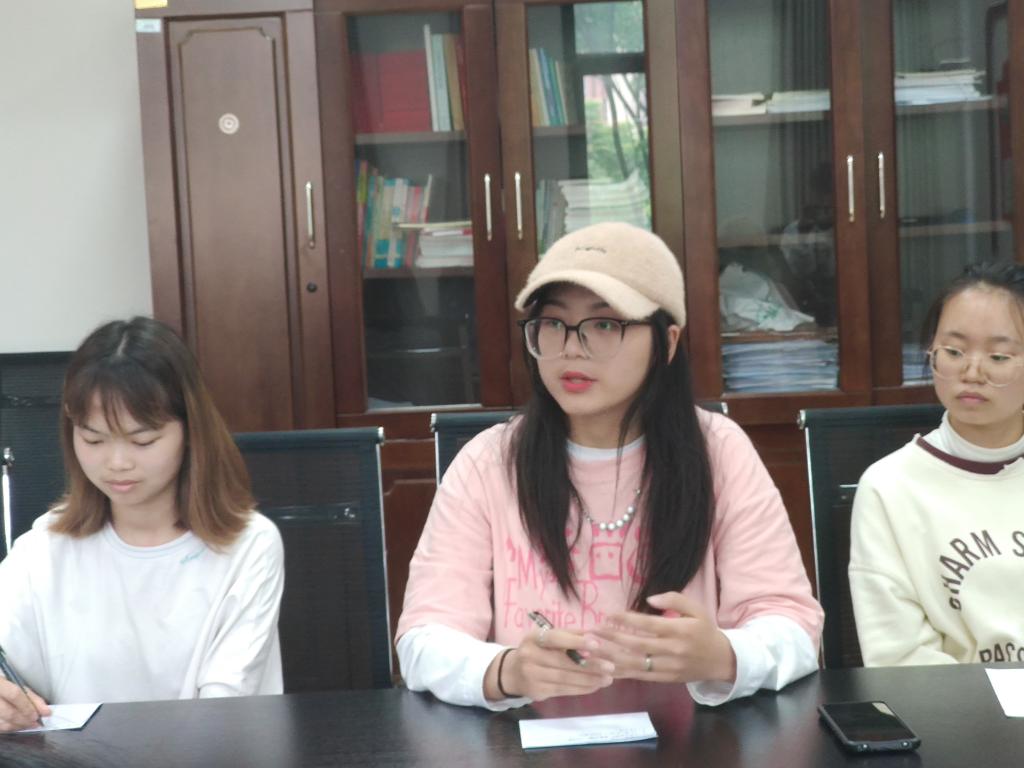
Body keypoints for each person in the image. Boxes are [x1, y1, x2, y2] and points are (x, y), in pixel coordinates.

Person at [396, 222, 823, 709]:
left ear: (667, 342)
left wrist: (725, 655)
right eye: (552, 324)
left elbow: (794, 625)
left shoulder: (719, 451)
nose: (571, 348)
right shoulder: (488, 462)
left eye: (604, 325)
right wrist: (505, 670)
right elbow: (424, 639)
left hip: (693, 742)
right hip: (527, 740)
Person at [0, 317, 285, 732]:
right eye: (93, 439)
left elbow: (225, 710)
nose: (117, 463)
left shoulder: (248, 546)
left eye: (142, 441)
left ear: (190, 431)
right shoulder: (46, 545)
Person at [850, 262, 1024, 666]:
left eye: (999, 356)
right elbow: (900, 658)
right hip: (963, 704)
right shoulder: (889, 488)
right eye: (954, 352)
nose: (972, 372)